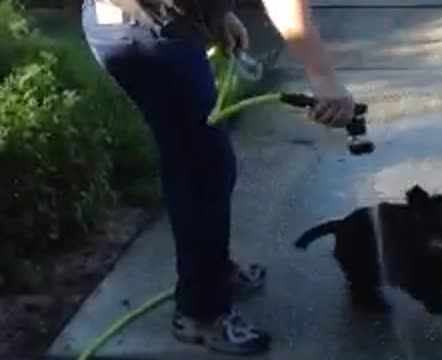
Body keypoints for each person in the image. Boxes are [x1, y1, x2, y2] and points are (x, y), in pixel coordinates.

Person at [80, 0, 354, 355]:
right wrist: (323, 76)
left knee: (208, 163)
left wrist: (215, 14)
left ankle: (213, 272)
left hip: (161, 26)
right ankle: (200, 312)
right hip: (142, 33)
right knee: (199, 171)